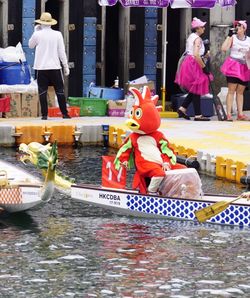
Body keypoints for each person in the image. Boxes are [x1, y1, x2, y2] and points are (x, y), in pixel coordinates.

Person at [28, 12, 71, 120]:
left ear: (41, 23)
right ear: (51, 23)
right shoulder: (58, 34)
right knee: (60, 91)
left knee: (42, 92)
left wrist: (35, 31)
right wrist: (65, 66)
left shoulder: (37, 34)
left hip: (41, 68)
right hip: (55, 68)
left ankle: (44, 115)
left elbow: (30, 45)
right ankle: (65, 114)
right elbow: (62, 51)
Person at [175, 17, 212, 121]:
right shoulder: (198, 39)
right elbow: (196, 54)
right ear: (197, 28)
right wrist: (204, 67)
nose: (204, 29)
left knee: (194, 88)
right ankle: (198, 115)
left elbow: (194, 53)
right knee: (197, 87)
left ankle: (182, 109)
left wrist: (205, 56)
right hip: (194, 64)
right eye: (202, 27)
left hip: (189, 62)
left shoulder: (191, 36)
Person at [221, 20, 250, 121]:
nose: (237, 27)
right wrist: (229, 36)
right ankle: (228, 114)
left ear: (244, 28)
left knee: (240, 92)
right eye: (236, 26)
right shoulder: (233, 38)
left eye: (239, 26)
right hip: (233, 65)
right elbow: (224, 48)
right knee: (231, 90)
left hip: (245, 66)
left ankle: (240, 114)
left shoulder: (249, 40)